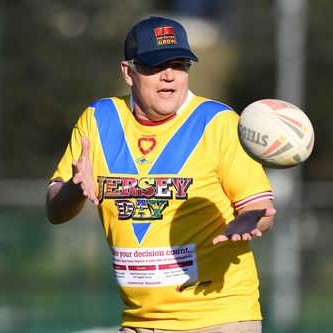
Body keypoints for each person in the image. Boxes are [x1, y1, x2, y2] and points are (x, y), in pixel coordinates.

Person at [46, 16, 276, 333]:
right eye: (155, 65)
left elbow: (259, 207)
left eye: (179, 64)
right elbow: (54, 210)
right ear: (128, 72)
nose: (169, 76)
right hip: (138, 321)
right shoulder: (99, 120)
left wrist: (253, 218)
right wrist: (73, 189)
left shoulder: (218, 122)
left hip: (218, 318)